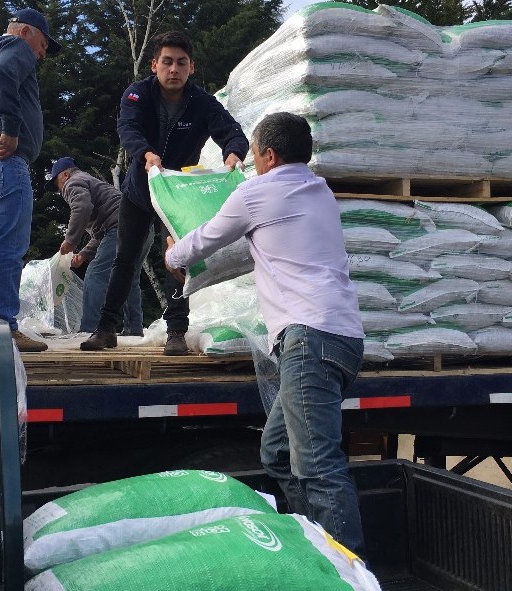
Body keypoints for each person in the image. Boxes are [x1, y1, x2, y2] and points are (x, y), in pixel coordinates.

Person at [163, 112, 367, 557]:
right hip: (342, 339)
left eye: (255, 154)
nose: (252, 162)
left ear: (269, 155)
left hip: (309, 339)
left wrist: (173, 255)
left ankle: (348, 573)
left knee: (317, 466)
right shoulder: (318, 190)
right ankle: (316, 546)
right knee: (277, 452)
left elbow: (207, 240)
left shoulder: (258, 192)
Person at [80, 31, 248, 355]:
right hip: (140, 191)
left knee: (177, 259)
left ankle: (176, 333)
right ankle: (105, 329)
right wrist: (145, 153)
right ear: (155, 64)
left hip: (179, 195)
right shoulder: (137, 95)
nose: (174, 69)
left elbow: (231, 131)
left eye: (181, 63)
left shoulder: (202, 103)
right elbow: (127, 129)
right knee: (124, 260)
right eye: (167, 62)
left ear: (191, 67)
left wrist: (233, 152)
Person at [0, 8, 60, 353]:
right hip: (4, 162)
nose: (43, 53)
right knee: (8, 248)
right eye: (44, 43)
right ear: (25, 33)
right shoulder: (13, 48)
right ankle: (2, 327)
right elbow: (5, 74)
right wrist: (11, 130)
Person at [47, 157, 145, 335]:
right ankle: (134, 329)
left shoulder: (72, 182)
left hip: (121, 227)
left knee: (95, 274)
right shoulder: (91, 182)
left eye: (57, 183)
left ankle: (89, 329)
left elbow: (82, 207)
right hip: (142, 226)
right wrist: (84, 254)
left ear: (66, 174)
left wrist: (70, 241)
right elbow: (102, 230)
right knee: (129, 278)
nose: (59, 189)